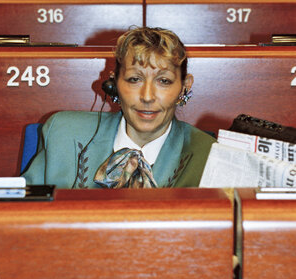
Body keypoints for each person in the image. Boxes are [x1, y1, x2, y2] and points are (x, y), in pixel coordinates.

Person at [23, 26, 215, 188]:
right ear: (114, 83)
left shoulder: (212, 156)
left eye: (163, 81)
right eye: (134, 79)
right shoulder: (63, 134)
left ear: (184, 86)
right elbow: (19, 215)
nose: (147, 97)